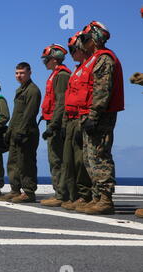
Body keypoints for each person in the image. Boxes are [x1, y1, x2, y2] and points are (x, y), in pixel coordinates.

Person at [78, 21, 125, 215]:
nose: (83, 43)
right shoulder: (94, 58)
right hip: (91, 114)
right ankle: (97, 196)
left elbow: (102, 90)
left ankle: (105, 198)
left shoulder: (104, 59)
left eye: (86, 39)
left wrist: (94, 115)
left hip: (100, 115)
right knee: (90, 158)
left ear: (95, 39)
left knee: (100, 155)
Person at [57, 31, 93, 212]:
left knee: (80, 161)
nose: (72, 53)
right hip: (70, 120)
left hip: (81, 119)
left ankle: (84, 195)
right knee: (68, 161)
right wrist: (64, 124)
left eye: (73, 49)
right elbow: (67, 100)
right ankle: (74, 196)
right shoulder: (77, 71)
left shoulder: (90, 67)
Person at [0, 62, 41, 203]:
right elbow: (16, 115)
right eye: (17, 73)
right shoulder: (20, 90)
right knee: (13, 162)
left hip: (27, 133)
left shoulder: (33, 90)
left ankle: (29, 192)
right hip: (16, 132)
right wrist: (9, 132)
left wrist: (21, 132)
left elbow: (29, 114)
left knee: (26, 163)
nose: (19, 76)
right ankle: (15, 189)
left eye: (22, 73)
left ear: (29, 73)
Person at [39, 44, 72, 207]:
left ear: (54, 59)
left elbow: (61, 102)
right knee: (54, 159)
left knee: (57, 159)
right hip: (52, 120)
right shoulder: (55, 75)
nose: (45, 62)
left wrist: (54, 125)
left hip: (57, 123)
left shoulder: (62, 75)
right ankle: (60, 192)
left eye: (46, 60)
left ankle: (61, 194)